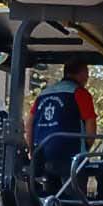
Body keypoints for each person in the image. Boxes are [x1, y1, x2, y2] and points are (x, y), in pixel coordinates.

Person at [30, 59, 98, 190]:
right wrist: (85, 149)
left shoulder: (43, 94)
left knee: (49, 195)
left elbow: (30, 123)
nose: (87, 77)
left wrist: (33, 152)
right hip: (71, 157)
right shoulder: (80, 93)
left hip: (43, 155)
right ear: (82, 73)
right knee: (74, 197)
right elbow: (90, 125)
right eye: (87, 73)